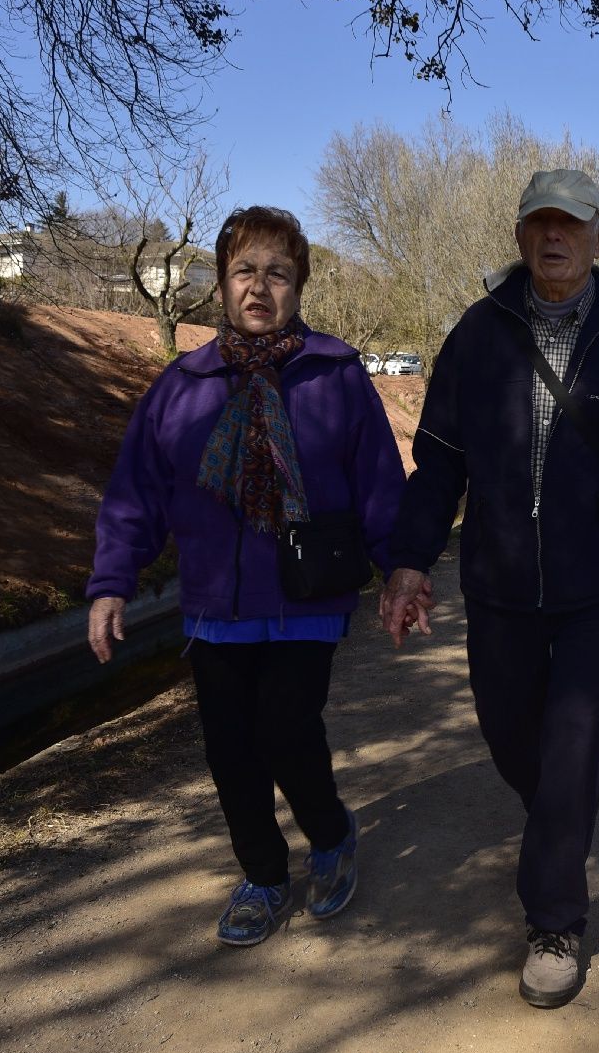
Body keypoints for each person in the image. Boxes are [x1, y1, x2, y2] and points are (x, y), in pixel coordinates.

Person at [379, 169, 599, 1009]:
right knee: (512, 734)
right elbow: (438, 462)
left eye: (571, 224)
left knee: (571, 741)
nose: (554, 237)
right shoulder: (478, 332)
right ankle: (560, 808)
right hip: (500, 580)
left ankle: (555, 918)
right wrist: (410, 561)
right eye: (539, 223)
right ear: (520, 236)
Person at [86, 205, 405, 947]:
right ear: (223, 284)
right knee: (230, 750)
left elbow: (380, 486)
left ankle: (331, 835)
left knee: (286, 729)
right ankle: (263, 874)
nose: (260, 287)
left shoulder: (335, 375)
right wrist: (112, 582)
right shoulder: (182, 384)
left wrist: (401, 571)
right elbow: (136, 493)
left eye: (278, 273)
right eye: (244, 271)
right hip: (215, 602)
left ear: (299, 285)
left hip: (306, 594)